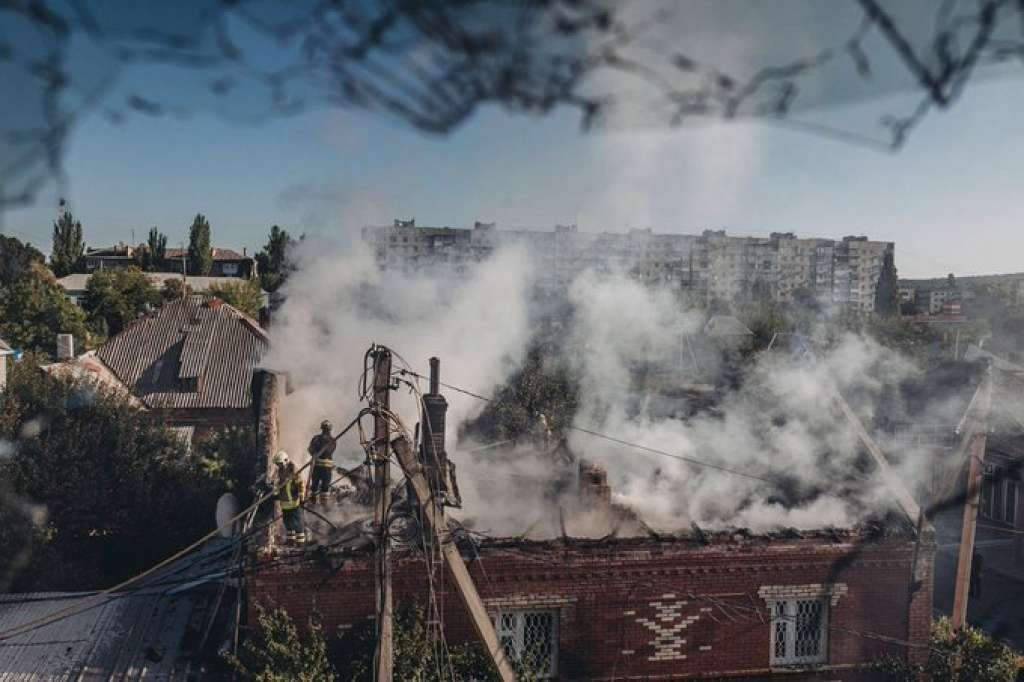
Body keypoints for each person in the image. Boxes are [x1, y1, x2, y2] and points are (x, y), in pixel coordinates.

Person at [273, 450, 306, 545]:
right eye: (277, 464)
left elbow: (300, 484)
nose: (279, 465)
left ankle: (300, 543)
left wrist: (302, 497)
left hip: (294, 502)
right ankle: (290, 541)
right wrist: (277, 495)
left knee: (297, 523)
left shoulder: (293, 469)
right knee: (287, 522)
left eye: (280, 463)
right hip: (285, 502)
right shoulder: (280, 470)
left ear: (285, 460)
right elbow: (280, 485)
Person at [308, 420, 337, 505]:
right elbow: (330, 451)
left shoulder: (316, 438)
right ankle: (324, 507)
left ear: (322, 429)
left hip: (316, 466)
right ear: (330, 429)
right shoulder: (333, 441)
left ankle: (313, 503)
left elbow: (310, 450)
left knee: (314, 486)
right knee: (325, 488)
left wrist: (314, 454)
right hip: (327, 468)